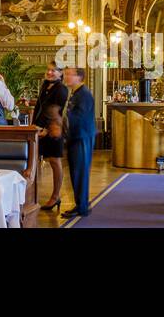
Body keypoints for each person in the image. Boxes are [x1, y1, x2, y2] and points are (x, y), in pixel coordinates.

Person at [31, 66, 68, 211]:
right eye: (48, 69)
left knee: (54, 161)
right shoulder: (45, 86)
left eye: (54, 70)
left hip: (53, 130)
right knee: (34, 160)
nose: (50, 72)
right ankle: (31, 196)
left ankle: (55, 196)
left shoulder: (61, 89)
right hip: (38, 129)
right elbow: (40, 108)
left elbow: (56, 111)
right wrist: (33, 125)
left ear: (61, 74)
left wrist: (46, 129)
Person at [63, 66, 95, 219]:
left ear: (79, 77)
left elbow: (78, 117)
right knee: (76, 173)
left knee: (80, 173)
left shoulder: (84, 94)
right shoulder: (76, 93)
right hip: (75, 137)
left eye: (70, 74)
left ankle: (82, 207)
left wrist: (59, 122)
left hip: (82, 138)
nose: (66, 76)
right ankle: (80, 204)